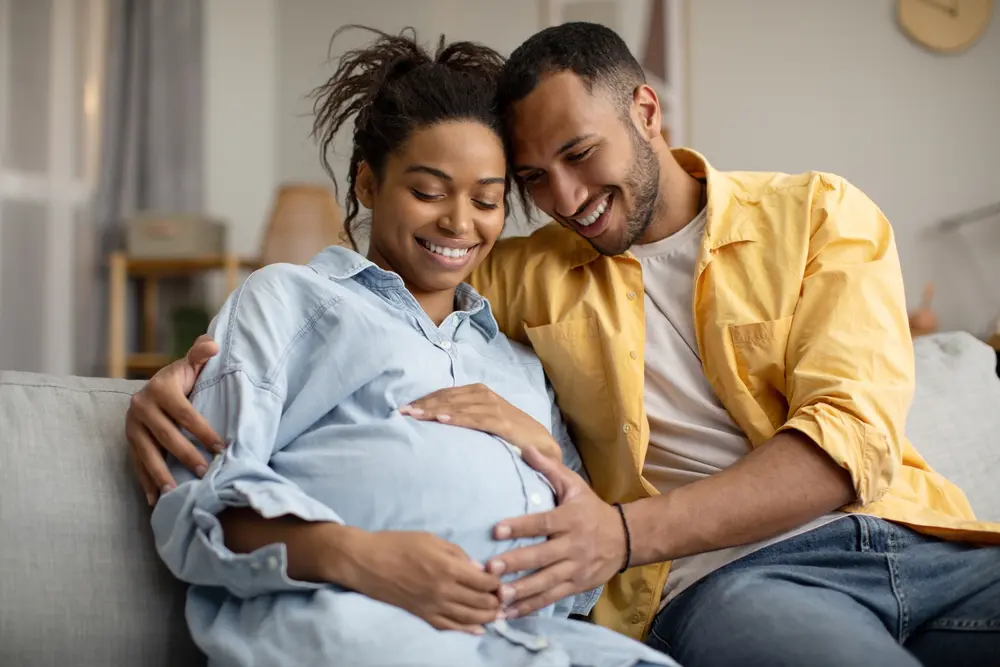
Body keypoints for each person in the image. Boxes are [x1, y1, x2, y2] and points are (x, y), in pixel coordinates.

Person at [127, 21, 1000, 667]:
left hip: (920, 540)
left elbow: (850, 440)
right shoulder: (521, 273)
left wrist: (608, 521)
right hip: (732, 584)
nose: (568, 199)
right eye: (536, 180)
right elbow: (388, 297)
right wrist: (175, 376)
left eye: (580, 155)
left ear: (646, 110)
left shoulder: (816, 213)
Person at [146, 26, 673, 667]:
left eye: (487, 200)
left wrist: (537, 446)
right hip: (355, 620)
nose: (459, 222)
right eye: (427, 192)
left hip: (525, 640)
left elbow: (584, 571)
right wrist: (362, 557)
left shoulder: (516, 359)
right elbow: (199, 504)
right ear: (368, 186)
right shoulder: (290, 301)